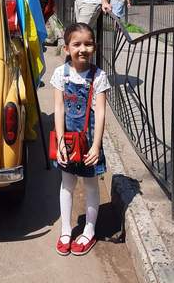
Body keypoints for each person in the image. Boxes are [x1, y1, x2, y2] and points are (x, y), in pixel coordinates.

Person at [50, 22, 111, 256]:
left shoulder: (99, 76)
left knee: (91, 184)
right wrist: (60, 141)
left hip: (89, 142)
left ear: (94, 47)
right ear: (66, 48)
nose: (82, 49)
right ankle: (66, 230)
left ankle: (90, 230)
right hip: (67, 142)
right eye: (76, 44)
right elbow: (58, 109)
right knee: (66, 184)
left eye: (88, 44)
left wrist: (96, 145)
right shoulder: (60, 74)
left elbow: (102, 112)